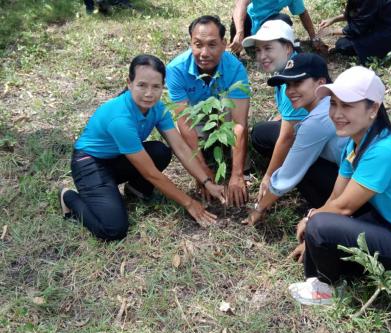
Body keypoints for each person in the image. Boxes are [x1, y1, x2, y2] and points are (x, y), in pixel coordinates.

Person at [289, 66, 391, 304]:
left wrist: (311, 221)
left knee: (320, 224)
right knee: (320, 224)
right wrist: (312, 238)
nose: (337, 114)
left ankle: (326, 291)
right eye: (334, 104)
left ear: (373, 109)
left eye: (348, 106)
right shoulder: (355, 144)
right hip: (388, 222)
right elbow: (335, 198)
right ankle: (328, 269)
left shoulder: (384, 150)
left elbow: (343, 209)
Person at [59, 54, 226, 241]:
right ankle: (69, 198)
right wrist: (189, 203)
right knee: (113, 230)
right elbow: (151, 174)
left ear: (163, 86)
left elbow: (180, 147)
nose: (149, 93)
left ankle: (135, 190)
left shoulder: (158, 108)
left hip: (117, 158)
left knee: (160, 151)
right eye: (142, 85)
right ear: (129, 83)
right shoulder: (120, 118)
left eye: (156, 87)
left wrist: (206, 181)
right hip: (90, 163)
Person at [243, 53, 347, 225]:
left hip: (355, 189)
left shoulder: (317, 120)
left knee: (298, 163)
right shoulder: (328, 103)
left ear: (321, 83)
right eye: (287, 84)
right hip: (347, 171)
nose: (290, 91)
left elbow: (287, 175)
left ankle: (328, 213)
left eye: (297, 83)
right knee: (264, 133)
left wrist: (259, 207)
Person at [166, 15, 250, 207]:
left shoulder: (235, 68)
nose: (204, 53)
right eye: (198, 44)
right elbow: (185, 121)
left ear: (224, 44)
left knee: (231, 116)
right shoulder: (176, 69)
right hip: (197, 119)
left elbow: (238, 123)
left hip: (224, 116)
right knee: (181, 134)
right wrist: (202, 173)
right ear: (190, 44)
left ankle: (240, 163)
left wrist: (237, 174)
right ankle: (206, 157)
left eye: (212, 45)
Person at [242, 20, 308, 208]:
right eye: (258, 50)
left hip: (314, 144)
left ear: (287, 48)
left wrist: (269, 176)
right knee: (260, 132)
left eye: (268, 48)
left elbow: (287, 136)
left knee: (262, 135)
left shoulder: (293, 81)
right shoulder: (287, 69)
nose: (262, 56)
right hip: (308, 134)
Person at [319, 0, 391, 64]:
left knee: (343, 45)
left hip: (390, 34)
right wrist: (333, 19)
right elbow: (354, 13)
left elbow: (356, 28)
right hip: (379, 26)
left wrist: (331, 32)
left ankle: (386, 50)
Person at [229, 0, 327, 55]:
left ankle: (266, 49)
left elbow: (302, 12)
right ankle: (235, 53)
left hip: (267, 23)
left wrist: (314, 38)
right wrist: (239, 32)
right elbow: (240, 4)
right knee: (239, 17)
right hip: (249, 22)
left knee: (284, 20)